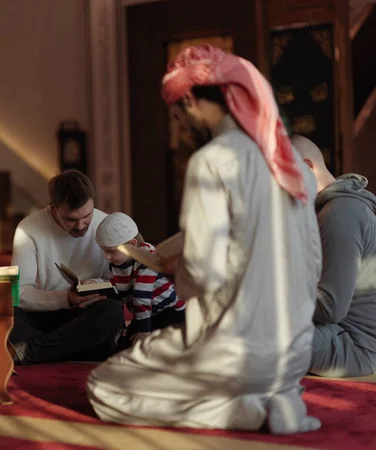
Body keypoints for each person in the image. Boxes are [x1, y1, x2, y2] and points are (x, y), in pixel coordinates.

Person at [87, 44, 322, 434]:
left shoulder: (212, 161)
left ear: (192, 101)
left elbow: (204, 275)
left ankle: (245, 412)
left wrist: (172, 266)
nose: (181, 124)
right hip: (295, 354)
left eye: (179, 114)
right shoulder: (294, 164)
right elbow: (314, 262)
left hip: (235, 354)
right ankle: (278, 399)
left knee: (105, 386)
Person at [9, 170, 124, 365]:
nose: (80, 226)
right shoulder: (27, 229)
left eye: (87, 216)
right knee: (5, 317)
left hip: (87, 315)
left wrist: (95, 284)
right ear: (53, 208)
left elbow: (121, 282)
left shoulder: (105, 224)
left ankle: (31, 352)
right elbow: (18, 293)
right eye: (71, 219)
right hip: (45, 314)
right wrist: (66, 298)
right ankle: (84, 349)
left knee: (111, 312)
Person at [293, 135, 376, 378]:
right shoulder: (332, 209)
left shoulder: (341, 212)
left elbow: (330, 308)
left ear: (308, 167)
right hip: (337, 335)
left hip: (356, 347)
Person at [95, 212, 185, 350]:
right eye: (103, 250)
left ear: (132, 244)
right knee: (121, 346)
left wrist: (143, 331)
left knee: (149, 347)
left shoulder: (147, 259)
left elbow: (141, 297)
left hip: (171, 312)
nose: (106, 256)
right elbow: (118, 291)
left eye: (111, 251)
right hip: (147, 314)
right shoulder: (116, 262)